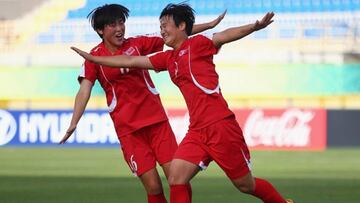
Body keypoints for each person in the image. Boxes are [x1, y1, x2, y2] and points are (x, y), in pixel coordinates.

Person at [71, 3, 294, 203]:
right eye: (160, 26)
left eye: (165, 25)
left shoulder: (197, 45)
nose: (161, 30)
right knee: (177, 176)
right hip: (196, 131)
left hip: (219, 126)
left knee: (246, 185)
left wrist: (253, 27)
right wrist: (93, 59)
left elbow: (223, 36)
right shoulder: (168, 58)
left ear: (181, 27)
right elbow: (131, 60)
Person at [59, 4, 226, 203]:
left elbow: (174, 34)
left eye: (122, 22)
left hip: (157, 122)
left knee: (177, 177)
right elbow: (84, 89)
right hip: (129, 131)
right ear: (100, 30)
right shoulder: (93, 57)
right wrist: (74, 122)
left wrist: (210, 25)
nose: (119, 28)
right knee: (154, 186)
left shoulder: (138, 43)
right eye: (113, 25)